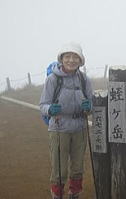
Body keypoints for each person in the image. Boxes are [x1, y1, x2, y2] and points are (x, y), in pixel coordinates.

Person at [40, 42, 93, 199]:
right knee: (59, 169)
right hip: (59, 128)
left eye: (75, 57)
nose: (71, 60)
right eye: (67, 57)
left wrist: (89, 107)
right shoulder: (52, 79)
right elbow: (42, 105)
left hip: (80, 128)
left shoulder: (84, 80)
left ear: (80, 60)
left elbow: (92, 104)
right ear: (61, 59)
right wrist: (49, 109)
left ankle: (74, 194)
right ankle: (57, 196)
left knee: (78, 167)